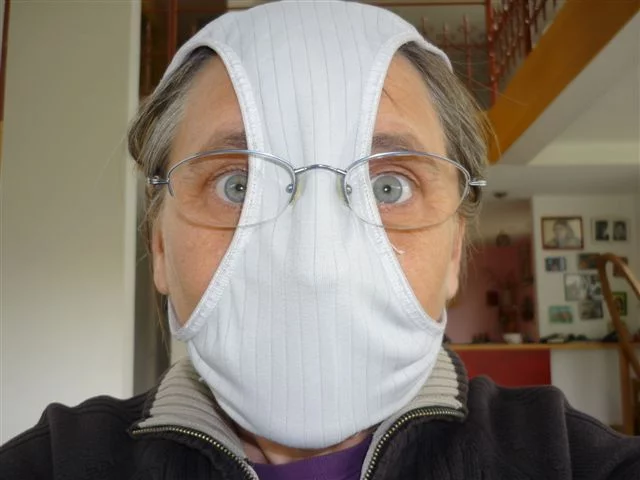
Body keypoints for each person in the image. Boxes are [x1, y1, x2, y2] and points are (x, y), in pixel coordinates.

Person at [2, 2, 639, 479]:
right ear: (160, 248)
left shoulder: (568, 461)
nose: (313, 269)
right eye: (236, 185)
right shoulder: (57, 464)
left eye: (389, 186)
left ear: (453, 251)